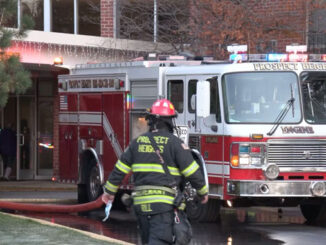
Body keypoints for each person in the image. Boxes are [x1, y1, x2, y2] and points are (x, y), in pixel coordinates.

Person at [102, 99, 208, 245]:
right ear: (170, 121)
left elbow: (119, 169)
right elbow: (193, 172)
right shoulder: (176, 144)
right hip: (164, 206)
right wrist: (203, 192)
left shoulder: (137, 142)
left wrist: (109, 192)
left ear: (151, 120)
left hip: (140, 206)